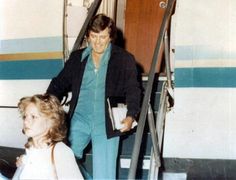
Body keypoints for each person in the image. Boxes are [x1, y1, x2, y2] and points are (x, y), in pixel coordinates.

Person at [47, 14, 141, 179]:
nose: (98, 42)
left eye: (103, 37)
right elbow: (58, 84)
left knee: (104, 174)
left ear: (111, 37)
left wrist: (131, 115)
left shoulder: (124, 59)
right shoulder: (77, 58)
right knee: (62, 159)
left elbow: (133, 89)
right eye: (93, 36)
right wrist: (45, 108)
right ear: (88, 36)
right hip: (79, 119)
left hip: (107, 122)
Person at [13, 94, 84, 180]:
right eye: (25, 116)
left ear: (51, 121)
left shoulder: (61, 151)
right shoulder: (32, 150)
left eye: (33, 117)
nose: (26, 121)